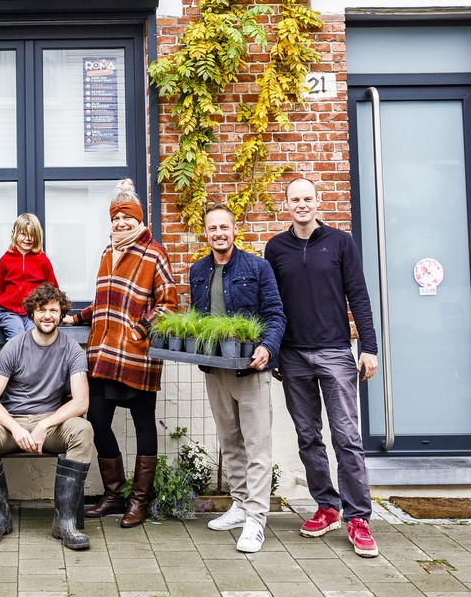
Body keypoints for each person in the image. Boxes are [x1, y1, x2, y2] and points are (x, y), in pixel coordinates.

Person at [265, 176, 380, 558]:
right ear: (286, 205)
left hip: (334, 351)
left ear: (318, 202)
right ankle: (327, 506)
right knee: (308, 436)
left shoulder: (341, 243)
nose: (301, 204)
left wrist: (369, 347)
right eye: (294, 199)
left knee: (346, 436)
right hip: (294, 355)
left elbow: (359, 296)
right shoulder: (275, 248)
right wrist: (276, 352)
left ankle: (358, 517)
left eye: (307, 198)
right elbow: (272, 305)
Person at [66, 179, 177, 528]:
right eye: (116, 218)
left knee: (144, 424)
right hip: (102, 352)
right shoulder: (107, 251)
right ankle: (114, 495)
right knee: (97, 418)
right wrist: (79, 316)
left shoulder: (154, 252)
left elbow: (169, 304)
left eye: (127, 218)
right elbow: (105, 301)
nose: (121, 224)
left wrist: (140, 330)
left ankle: (139, 500)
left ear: (138, 218)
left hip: (136, 354)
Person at [189, 203, 286, 553]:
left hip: (251, 372)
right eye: (212, 228)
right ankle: (240, 505)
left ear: (234, 230)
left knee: (257, 447)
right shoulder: (197, 271)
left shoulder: (257, 268)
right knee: (230, 443)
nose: (218, 233)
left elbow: (276, 315)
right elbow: (197, 322)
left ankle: (257, 521)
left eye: (224, 227)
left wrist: (268, 348)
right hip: (216, 372)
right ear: (206, 232)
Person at [0, 284, 94, 549]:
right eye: (41, 310)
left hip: (50, 423)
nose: (47, 316)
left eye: (53, 310)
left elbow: (81, 401)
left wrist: (45, 425)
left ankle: (65, 522)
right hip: (12, 422)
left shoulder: (72, 350)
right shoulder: (15, 346)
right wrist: (16, 429)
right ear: (31, 314)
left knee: (83, 430)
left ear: (62, 315)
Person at [0, 213, 59, 340]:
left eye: (32, 235)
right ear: (13, 233)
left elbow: (53, 288)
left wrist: (55, 312)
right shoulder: (5, 260)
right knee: (18, 337)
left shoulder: (42, 260)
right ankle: (14, 360)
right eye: (23, 234)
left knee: (34, 338)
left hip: (34, 311)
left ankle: (32, 360)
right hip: (9, 312)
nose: (28, 238)